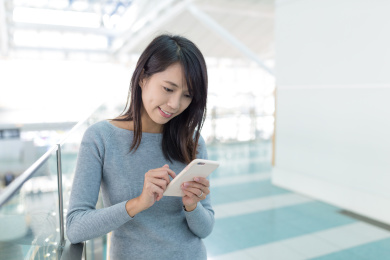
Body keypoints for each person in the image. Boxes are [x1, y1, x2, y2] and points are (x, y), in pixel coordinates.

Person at [66, 34, 214, 260]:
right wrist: (138, 203)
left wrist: (192, 206)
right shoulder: (100, 138)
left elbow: (205, 229)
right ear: (143, 78)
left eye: (187, 95)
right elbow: (75, 228)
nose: (175, 104)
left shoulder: (192, 141)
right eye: (168, 88)